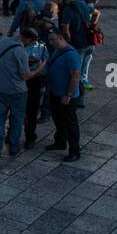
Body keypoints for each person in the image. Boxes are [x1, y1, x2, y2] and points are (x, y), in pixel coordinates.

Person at [0, 25, 43, 158]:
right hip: (17, 91)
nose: (31, 45)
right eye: (31, 42)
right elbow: (25, 76)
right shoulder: (20, 51)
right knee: (16, 120)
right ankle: (13, 147)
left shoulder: (3, 42)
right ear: (27, 39)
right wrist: (38, 69)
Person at [45, 30, 82, 161]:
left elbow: (75, 75)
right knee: (58, 119)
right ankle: (60, 142)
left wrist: (69, 94)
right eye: (49, 40)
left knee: (70, 123)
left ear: (60, 38)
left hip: (67, 96)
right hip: (55, 93)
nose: (50, 42)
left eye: (52, 40)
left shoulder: (71, 55)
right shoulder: (57, 51)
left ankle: (74, 151)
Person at [58, 0, 93, 108]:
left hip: (78, 45)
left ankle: (76, 99)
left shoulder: (67, 10)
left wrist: (67, 42)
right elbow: (96, 12)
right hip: (89, 43)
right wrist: (92, 25)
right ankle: (81, 100)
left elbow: (65, 29)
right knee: (83, 74)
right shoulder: (83, 4)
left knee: (75, 74)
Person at [19, 26, 48, 150]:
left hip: (35, 80)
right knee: (17, 108)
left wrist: (37, 68)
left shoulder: (41, 47)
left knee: (32, 111)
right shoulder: (18, 46)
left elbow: (45, 62)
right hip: (20, 79)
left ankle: (30, 137)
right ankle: (11, 135)